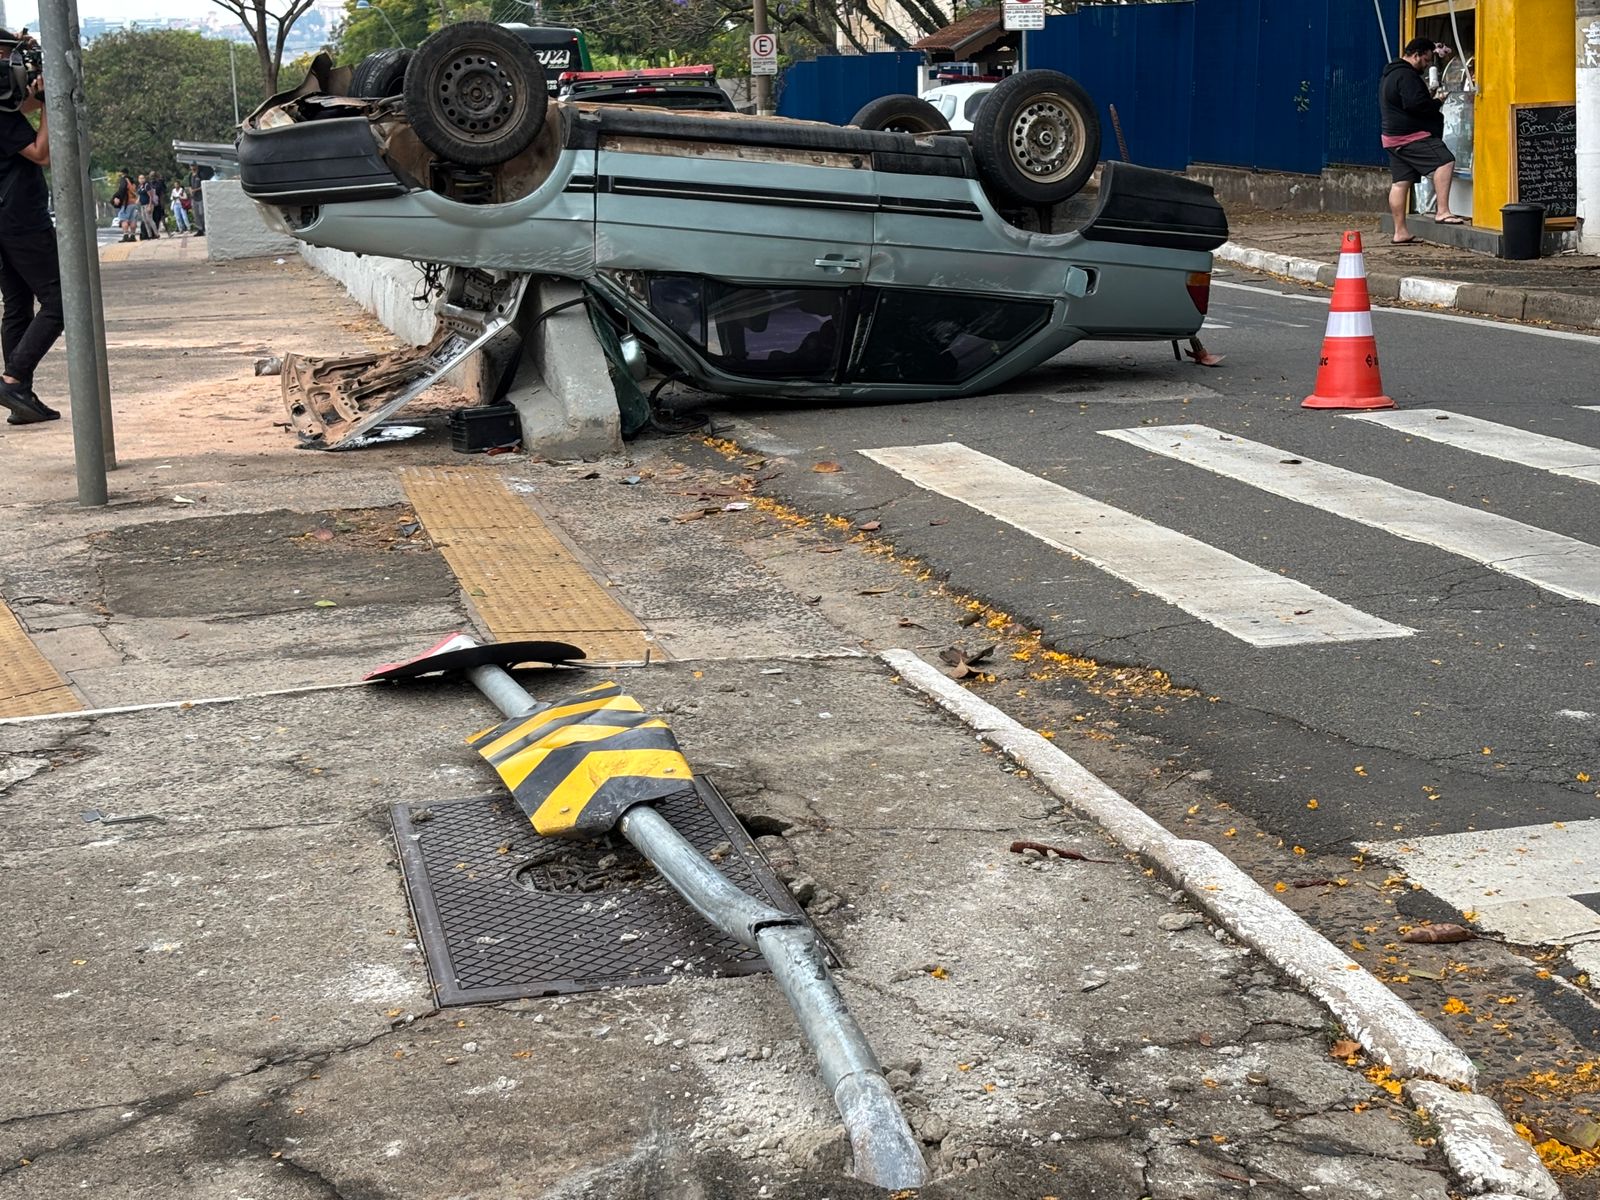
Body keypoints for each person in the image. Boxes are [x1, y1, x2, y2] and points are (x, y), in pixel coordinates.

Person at [0, 57, 61, 425]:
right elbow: (40, 154)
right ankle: (14, 379)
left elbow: (21, 105)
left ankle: (20, 397)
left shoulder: (5, 110)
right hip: (20, 218)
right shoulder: (3, 120)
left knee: (18, 304)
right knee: (60, 301)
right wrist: (51, 109)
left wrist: (39, 97)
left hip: (5, 218)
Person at [1380, 37, 1461, 244]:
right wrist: (1436, 102)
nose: (1426, 66)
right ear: (1415, 55)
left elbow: (1405, 101)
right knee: (1445, 160)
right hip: (1410, 136)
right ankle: (1442, 211)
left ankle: (1400, 232)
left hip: (1392, 138)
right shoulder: (1406, 75)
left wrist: (1428, 95)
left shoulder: (1389, 74)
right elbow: (1416, 105)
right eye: (1425, 60)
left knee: (1400, 183)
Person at [112, 168, 138, 242]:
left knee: (124, 219)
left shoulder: (124, 180)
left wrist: (117, 197)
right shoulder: (132, 181)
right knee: (133, 220)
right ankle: (133, 236)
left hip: (126, 203)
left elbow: (122, 189)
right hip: (134, 202)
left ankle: (125, 235)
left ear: (122, 173)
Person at [187, 165, 205, 235]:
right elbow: (189, 185)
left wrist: (195, 190)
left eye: (193, 166)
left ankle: (204, 227)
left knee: (202, 213)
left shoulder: (200, 174)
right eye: (191, 166)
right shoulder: (190, 175)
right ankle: (199, 229)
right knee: (196, 214)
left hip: (200, 197)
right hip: (194, 198)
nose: (192, 167)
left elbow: (203, 185)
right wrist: (190, 190)